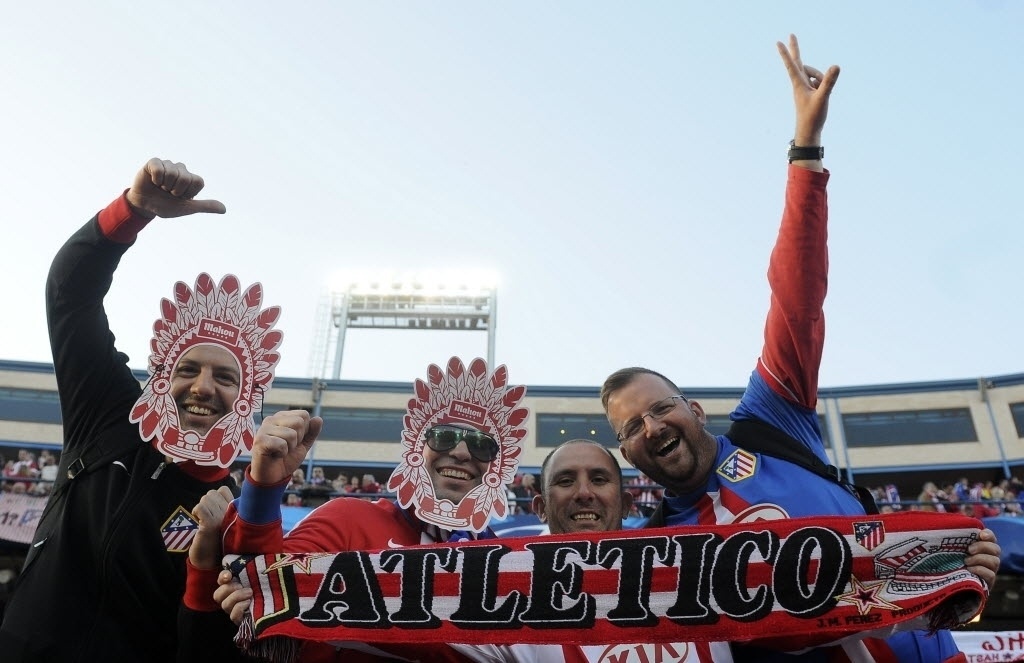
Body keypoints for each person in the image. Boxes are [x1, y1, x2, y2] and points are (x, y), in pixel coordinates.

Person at [599, 36, 1000, 663]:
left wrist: (805, 150)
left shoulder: (769, 423)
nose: (652, 427)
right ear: (627, 454)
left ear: (696, 409)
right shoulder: (654, 556)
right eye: (631, 428)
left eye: (660, 407)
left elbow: (797, 297)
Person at [0, 159, 248, 662]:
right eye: (187, 369)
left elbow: (205, 648)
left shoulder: (238, 512)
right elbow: (70, 296)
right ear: (161, 376)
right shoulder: (109, 410)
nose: (202, 387)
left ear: (247, 397)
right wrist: (133, 211)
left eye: (225, 378)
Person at [188, 357, 530, 662]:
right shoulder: (349, 518)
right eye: (443, 436)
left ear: (496, 466)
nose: (460, 452)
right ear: (416, 448)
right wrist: (264, 487)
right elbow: (267, 581)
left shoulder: (508, 562)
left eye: (482, 445)